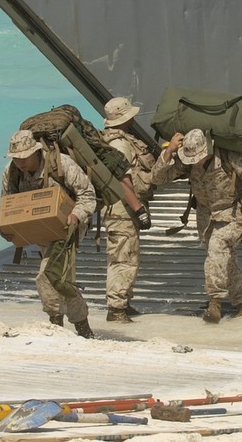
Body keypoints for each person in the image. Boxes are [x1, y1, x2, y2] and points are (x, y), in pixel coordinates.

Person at [151, 129, 242, 323]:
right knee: (225, 259)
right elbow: (157, 179)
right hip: (206, 217)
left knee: (217, 250)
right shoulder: (187, 161)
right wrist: (169, 152)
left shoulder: (229, 157)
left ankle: (214, 303)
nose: (195, 162)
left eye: (198, 157)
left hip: (231, 213)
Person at [1, 129, 98, 338]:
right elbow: (8, 207)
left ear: (36, 152)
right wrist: (9, 231)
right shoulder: (11, 173)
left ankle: (56, 326)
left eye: (24, 158)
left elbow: (88, 195)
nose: (20, 163)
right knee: (61, 280)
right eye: (15, 158)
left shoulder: (62, 164)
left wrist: (76, 215)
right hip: (41, 229)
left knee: (47, 275)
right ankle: (84, 329)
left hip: (69, 227)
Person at [100, 96, 157, 323]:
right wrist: (138, 209)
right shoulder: (120, 144)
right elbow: (123, 180)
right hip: (121, 210)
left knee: (128, 255)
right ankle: (116, 309)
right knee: (123, 260)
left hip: (119, 209)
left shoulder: (114, 139)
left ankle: (124, 302)